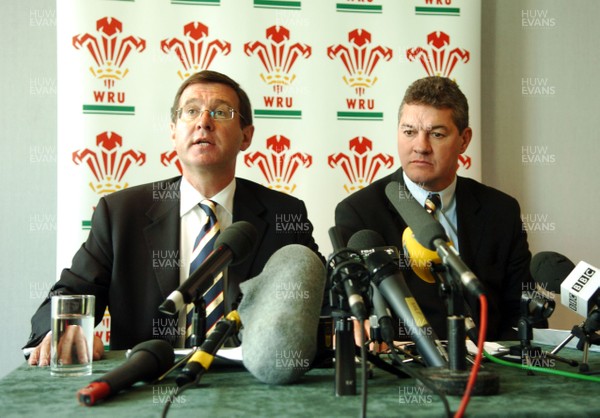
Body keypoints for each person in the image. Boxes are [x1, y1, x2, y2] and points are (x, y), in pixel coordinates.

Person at [26, 70, 324, 366]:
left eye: (221, 112)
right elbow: (70, 293)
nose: (203, 122)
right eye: (191, 111)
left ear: (246, 136)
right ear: (173, 131)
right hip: (145, 380)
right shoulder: (121, 214)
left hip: (255, 384)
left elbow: (324, 298)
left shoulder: (284, 214)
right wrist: (66, 328)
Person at [335, 76, 535, 341]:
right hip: (404, 372)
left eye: (437, 134)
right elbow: (352, 314)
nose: (421, 146)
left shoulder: (501, 211)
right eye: (409, 132)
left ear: (464, 140)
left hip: (490, 369)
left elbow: (523, 311)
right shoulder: (359, 212)